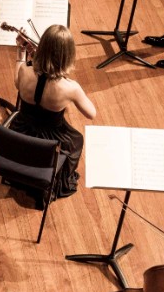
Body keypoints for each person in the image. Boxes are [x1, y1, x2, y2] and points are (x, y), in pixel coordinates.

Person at [8, 24, 97, 201]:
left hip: (21, 130)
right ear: (68, 55)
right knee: (76, 139)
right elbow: (91, 113)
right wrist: (74, 91)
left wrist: (21, 52)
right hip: (50, 141)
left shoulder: (25, 70)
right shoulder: (70, 88)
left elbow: (18, 84)